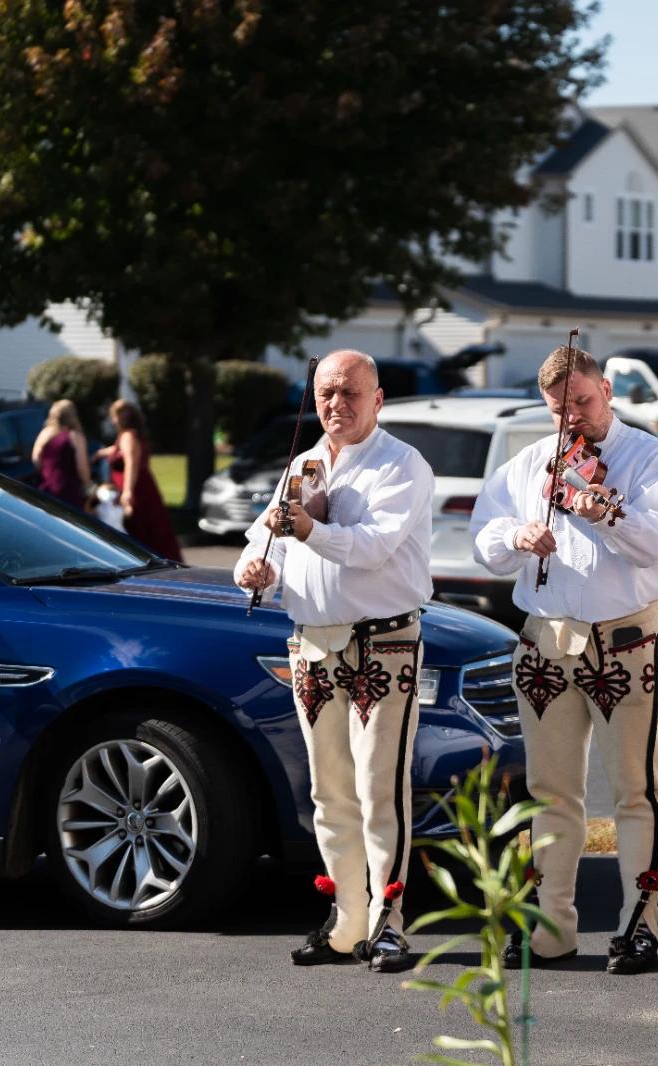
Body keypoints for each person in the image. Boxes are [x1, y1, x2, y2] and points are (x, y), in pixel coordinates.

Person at [470, 343, 658, 976]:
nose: (575, 421)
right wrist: (517, 536)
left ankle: (639, 927)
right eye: (560, 412)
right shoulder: (529, 464)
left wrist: (607, 512)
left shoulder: (650, 459)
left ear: (607, 392)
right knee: (550, 792)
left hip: (624, 640)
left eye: (584, 404)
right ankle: (549, 929)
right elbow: (485, 538)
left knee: (635, 789)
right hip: (546, 641)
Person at [234, 349, 434, 974]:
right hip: (313, 646)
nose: (335, 404)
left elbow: (373, 548)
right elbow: (262, 547)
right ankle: (347, 921)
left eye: (350, 392)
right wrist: (255, 569)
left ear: (378, 400)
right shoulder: (303, 464)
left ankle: (390, 922)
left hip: (384, 644)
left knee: (380, 789)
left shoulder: (403, 464)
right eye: (325, 392)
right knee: (329, 794)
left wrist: (307, 530)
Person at [96, 399, 183, 561]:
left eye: (114, 416)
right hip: (136, 486)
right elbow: (116, 451)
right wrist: (99, 454)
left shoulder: (128, 436)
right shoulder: (126, 436)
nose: (113, 421)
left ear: (120, 418)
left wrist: (128, 492)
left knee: (141, 528)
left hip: (136, 488)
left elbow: (131, 463)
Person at [32, 399, 91, 510]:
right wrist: (87, 484)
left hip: (47, 489)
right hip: (69, 493)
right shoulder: (75, 436)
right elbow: (82, 468)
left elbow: (36, 460)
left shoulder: (45, 433)